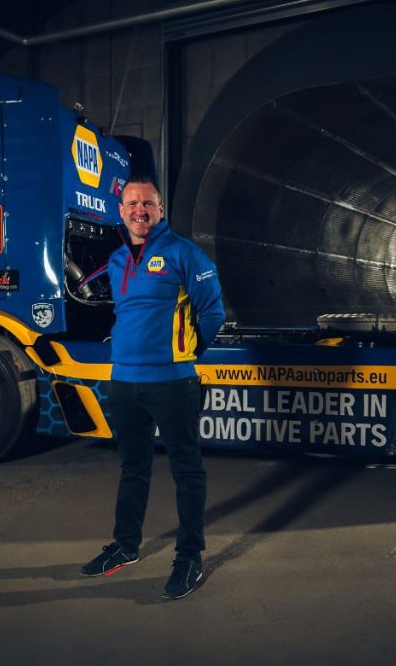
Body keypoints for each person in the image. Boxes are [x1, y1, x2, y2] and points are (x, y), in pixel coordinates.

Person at [80, 174, 224, 600]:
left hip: (173, 384)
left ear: (160, 210)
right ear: (121, 211)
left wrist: (185, 355)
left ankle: (189, 557)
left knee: (186, 470)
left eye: (148, 203)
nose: (140, 210)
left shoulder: (184, 252)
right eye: (132, 204)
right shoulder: (118, 259)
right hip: (124, 383)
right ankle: (126, 546)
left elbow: (213, 312)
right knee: (133, 468)